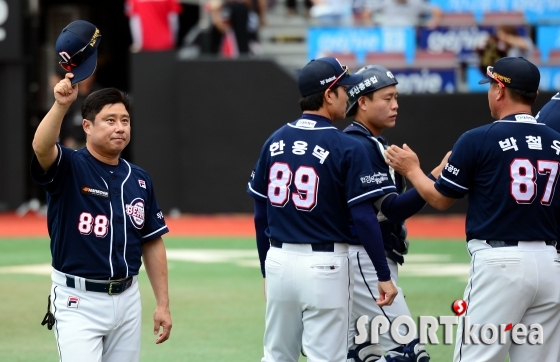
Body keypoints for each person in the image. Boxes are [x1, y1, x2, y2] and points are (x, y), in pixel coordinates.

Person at [385, 57, 560, 362]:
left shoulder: (479, 138)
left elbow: (440, 199)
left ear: (500, 91)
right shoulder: (556, 142)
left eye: (492, 84)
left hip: (500, 265)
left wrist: (413, 169)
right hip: (550, 263)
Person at [33, 20, 172, 361]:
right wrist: (62, 104)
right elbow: (40, 147)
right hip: (78, 301)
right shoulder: (70, 166)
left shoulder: (139, 179)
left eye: (125, 120)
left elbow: (152, 241)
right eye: (110, 120)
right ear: (88, 126)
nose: (120, 127)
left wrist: (163, 304)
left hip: (127, 300)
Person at [247, 57, 398, 362]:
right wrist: (383, 274)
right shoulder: (346, 145)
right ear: (329, 95)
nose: (349, 96)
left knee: (276, 356)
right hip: (324, 265)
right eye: (344, 89)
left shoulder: (274, 141)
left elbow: (260, 214)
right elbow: (363, 215)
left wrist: (266, 269)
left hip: (278, 261)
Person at [343, 65, 449, 362]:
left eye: (396, 97)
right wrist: (428, 180)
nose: (395, 105)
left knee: (361, 354)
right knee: (409, 352)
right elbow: (389, 209)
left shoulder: (362, 142)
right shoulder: (362, 145)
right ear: (362, 101)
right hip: (363, 257)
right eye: (387, 98)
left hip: (359, 258)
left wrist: (427, 177)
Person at [367, 0, 442, 28]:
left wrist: (433, 23)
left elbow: (436, 10)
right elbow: (367, 12)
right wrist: (370, 26)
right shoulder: (386, 2)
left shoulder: (416, 3)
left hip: (410, 36)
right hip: (387, 35)